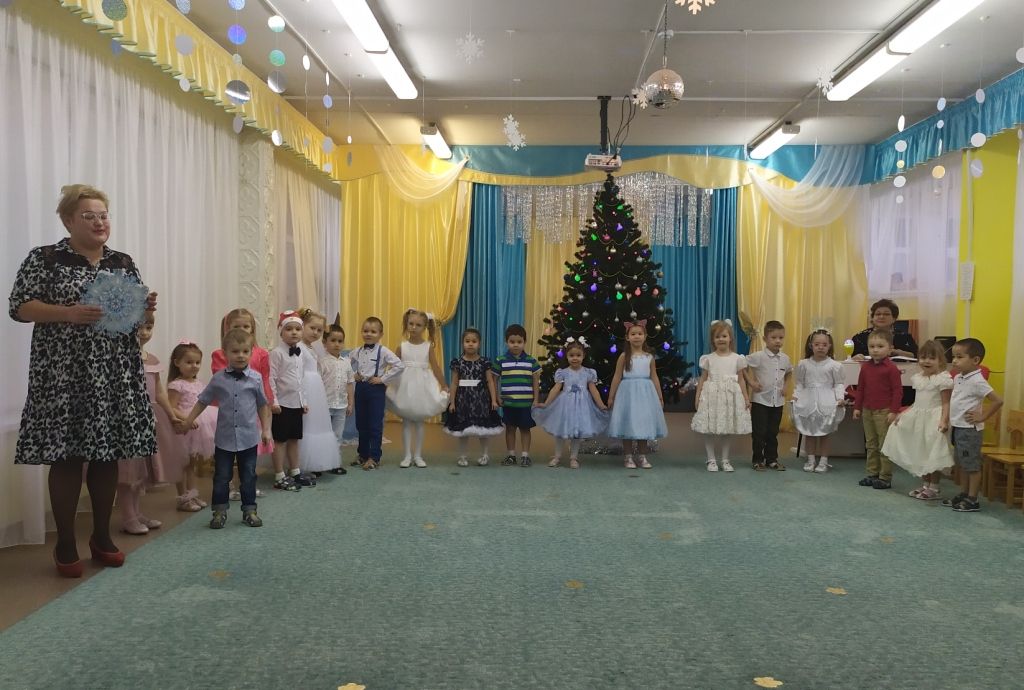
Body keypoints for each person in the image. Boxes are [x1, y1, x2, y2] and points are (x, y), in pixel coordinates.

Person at [9, 184, 157, 577]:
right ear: (68, 220)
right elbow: (19, 307)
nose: (99, 222)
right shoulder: (45, 258)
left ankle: (102, 538)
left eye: (103, 215)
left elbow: (136, 324)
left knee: (108, 454)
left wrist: (145, 311)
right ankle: (65, 543)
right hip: (63, 374)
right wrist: (68, 313)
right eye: (89, 216)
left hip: (113, 373)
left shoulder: (122, 262)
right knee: (67, 457)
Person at [176, 328, 273, 528]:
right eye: (235, 351)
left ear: (251, 352)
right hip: (224, 439)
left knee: (248, 476)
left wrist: (266, 430)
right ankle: (219, 511)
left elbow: (263, 405)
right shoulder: (218, 378)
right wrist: (188, 420)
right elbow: (203, 401)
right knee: (221, 477)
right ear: (225, 353)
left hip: (248, 438)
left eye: (245, 351)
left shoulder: (255, 378)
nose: (240, 355)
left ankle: (249, 510)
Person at [118, 312, 177, 535]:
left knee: (141, 471)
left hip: (149, 419)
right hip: (129, 419)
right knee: (127, 472)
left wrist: (171, 415)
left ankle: (136, 512)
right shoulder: (122, 356)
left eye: (148, 327)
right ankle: (128, 517)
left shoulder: (151, 359)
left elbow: (159, 392)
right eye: (139, 327)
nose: (144, 332)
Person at [210, 308, 273, 500]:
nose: (242, 330)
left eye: (246, 326)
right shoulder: (219, 354)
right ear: (227, 329)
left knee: (250, 448)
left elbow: (265, 378)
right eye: (236, 326)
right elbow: (220, 379)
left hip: (253, 407)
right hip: (230, 407)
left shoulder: (261, 353)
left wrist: (269, 400)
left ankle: (246, 485)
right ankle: (229, 485)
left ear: (252, 329)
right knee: (228, 449)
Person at [881, 340, 954, 501]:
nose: (927, 361)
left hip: (934, 419)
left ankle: (934, 487)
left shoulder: (943, 379)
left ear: (940, 360)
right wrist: (903, 414)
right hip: (919, 419)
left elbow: (946, 403)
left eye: (932, 358)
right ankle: (925, 484)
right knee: (921, 451)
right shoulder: (918, 378)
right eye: (923, 357)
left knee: (933, 453)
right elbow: (917, 402)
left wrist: (944, 420)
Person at [941, 338, 1004, 512]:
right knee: (962, 463)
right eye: (954, 357)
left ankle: (973, 498)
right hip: (958, 427)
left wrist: (982, 417)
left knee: (972, 465)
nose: (954, 361)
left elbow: (998, 400)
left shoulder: (977, 380)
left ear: (975, 360)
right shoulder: (959, 377)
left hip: (969, 431)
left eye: (959, 357)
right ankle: (964, 493)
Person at [386, 308, 449, 468]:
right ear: (406, 324)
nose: (413, 327)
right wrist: (384, 382)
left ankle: (418, 455)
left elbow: (436, 367)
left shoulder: (428, 347)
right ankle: (407, 455)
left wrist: (444, 385)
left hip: (422, 386)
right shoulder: (402, 346)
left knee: (420, 421)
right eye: (411, 324)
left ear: (425, 327)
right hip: (405, 386)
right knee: (407, 421)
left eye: (418, 325)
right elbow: (393, 367)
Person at [535, 338, 609, 469]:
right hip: (565, 406)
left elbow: (594, 390)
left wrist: (601, 404)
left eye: (578, 355)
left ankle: (574, 458)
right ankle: (557, 456)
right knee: (560, 431)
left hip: (582, 407)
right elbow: (555, 389)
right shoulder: (563, 372)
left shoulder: (588, 373)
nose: (575, 358)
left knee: (576, 433)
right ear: (566, 356)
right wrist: (546, 403)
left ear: (583, 356)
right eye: (571, 355)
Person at [691, 319, 751, 473]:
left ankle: (725, 459)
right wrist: (698, 395)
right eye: (717, 337)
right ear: (713, 340)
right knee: (709, 428)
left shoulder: (737, 358)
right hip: (711, 397)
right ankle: (711, 459)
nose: (721, 339)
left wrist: (746, 398)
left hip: (730, 397)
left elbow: (741, 380)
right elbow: (703, 378)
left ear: (730, 338)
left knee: (727, 428)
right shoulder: (708, 358)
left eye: (724, 336)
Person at [607, 320, 667, 469]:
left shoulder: (649, 357)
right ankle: (628, 457)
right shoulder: (623, 356)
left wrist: (659, 396)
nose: (636, 336)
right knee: (628, 423)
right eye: (633, 334)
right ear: (627, 337)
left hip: (645, 394)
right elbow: (617, 377)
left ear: (645, 336)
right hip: (627, 394)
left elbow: (654, 376)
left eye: (640, 334)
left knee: (643, 423)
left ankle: (642, 456)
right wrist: (611, 396)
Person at [167, 341, 217, 511]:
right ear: (177, 363)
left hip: (197, 426)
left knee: (191, 464)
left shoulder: (198, 383)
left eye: (197, 362)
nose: (194, 366)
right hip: (183, 427)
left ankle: (192, 494)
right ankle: (182, 498)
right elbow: (171, 407)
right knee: (182, 464)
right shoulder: (176, 384)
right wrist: (187, 419)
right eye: (189, 362)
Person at [350, 316, 404, 470]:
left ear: (381, 334)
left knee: (374, 424)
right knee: (361, 424)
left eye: (373, 331)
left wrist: (382, 379)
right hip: (360, 389)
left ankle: (374, 457)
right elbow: (345, 364)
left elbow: (399, 366)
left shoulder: (383, 351)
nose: (368, 334)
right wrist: (353, 375)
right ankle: (362, 454)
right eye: (365, 331)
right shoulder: (357, 351)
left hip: (376, 390)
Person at [444, 327, 503, 466]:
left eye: (474, 341)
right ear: (462, 343)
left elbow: (490, 381)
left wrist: (494, 400)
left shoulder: (484, 362)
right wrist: (452, 402)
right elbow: (454, 383)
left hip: (481, 400)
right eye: (467, 341)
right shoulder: (458, 362)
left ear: (479, 343)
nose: (470, 344)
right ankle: (462, 456)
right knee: (463, 430)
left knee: (483, 430)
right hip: (463, 400)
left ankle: (485, 455)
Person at [853, 330, 903, 490]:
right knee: (871, 444)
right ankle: (872, 473)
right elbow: (861, 389)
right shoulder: (866, 367)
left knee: (884, 444)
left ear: (890, 348)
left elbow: (897, 391)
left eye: (880, 346)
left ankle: (885, 477)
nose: (875, 350)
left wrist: (894, 411)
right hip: (867, 410)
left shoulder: (891, 368)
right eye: (872, 346)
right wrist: (857, 407)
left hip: (884, 411)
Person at [791, 330, 846, 473]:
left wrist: (840, 398)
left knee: (824, 433)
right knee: (809, 432)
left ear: (829, 346)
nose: (820, 347)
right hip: (808, 401)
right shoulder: (803, 364)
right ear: (811, 345)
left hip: (826, 402)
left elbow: (838, 383)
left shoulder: (834, 365)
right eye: (817, 344)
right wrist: (796, 396)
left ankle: (823, 461)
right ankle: (810, 459)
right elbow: (800, 383)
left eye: (824, 344)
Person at [295, 307, 341, 478]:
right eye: (312, 328)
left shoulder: (312, 348)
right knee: (305, 425)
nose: (315, 332)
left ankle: (313, 462)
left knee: (315, 424)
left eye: (319, 330)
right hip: (306, 387)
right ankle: (300, 465)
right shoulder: (298, 347)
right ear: (302, 326)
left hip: (316, 390)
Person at [269, 311, 311, 490]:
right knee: (280, 440)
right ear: (281, 332)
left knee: (294, 439)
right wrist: (274, 401)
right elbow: (271, 378)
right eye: (289, 329)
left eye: (297, 329)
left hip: (296, 403)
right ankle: (279, 475)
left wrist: (304, 401)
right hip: (282, 405)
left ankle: (295, 471)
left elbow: (301, 378)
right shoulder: (277, 353)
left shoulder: (300, 353)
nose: (294, 332)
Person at [744, 320, 792, 471]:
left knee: (773, 432)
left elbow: (789, 372)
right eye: (774, 337)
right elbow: (741, 365)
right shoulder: (758, 356)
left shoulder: (785, 358)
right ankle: (757, 459)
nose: (778, 341)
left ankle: (772, 459)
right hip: (760, 401)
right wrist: (751, 382)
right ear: (765, 339)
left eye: (781, 338)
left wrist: (786, 386)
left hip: (778, 402)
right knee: (759, 432)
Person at [492, 324, 541, 467]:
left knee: (525, 429)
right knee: (510, 428)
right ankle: (511, 455)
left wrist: (536, 399)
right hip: (508, 403)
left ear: (524, 342)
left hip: (525, 403)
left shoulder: (531, 361)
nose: (515, 345)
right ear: (506, 342)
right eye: (512, 342)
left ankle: (525, 456)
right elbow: (494, 380)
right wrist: (497, 397)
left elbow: (536, 381)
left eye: (519, 342)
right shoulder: (501, 360)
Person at [319, 317, 355, 472]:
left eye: (340, 341)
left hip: (341, 405)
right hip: (325, 405)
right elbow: (317, 384)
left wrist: (350, 403)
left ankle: (335, 463)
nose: (337, 344)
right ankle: (320, 463)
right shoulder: (321, 362)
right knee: (323, 435)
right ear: (324, 342)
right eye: (333, 340)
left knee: (337, 435)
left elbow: (350, 383)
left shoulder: (346, 362)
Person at [850, 299, 918, 360]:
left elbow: (916, 356)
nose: (881, 316)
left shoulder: (905, 337)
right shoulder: (859, 337)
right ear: (872, 318)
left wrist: (898, 352)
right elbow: (849, 359)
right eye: (878, 314)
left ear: (894, 318)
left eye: (886, 314)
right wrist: (853, 359)